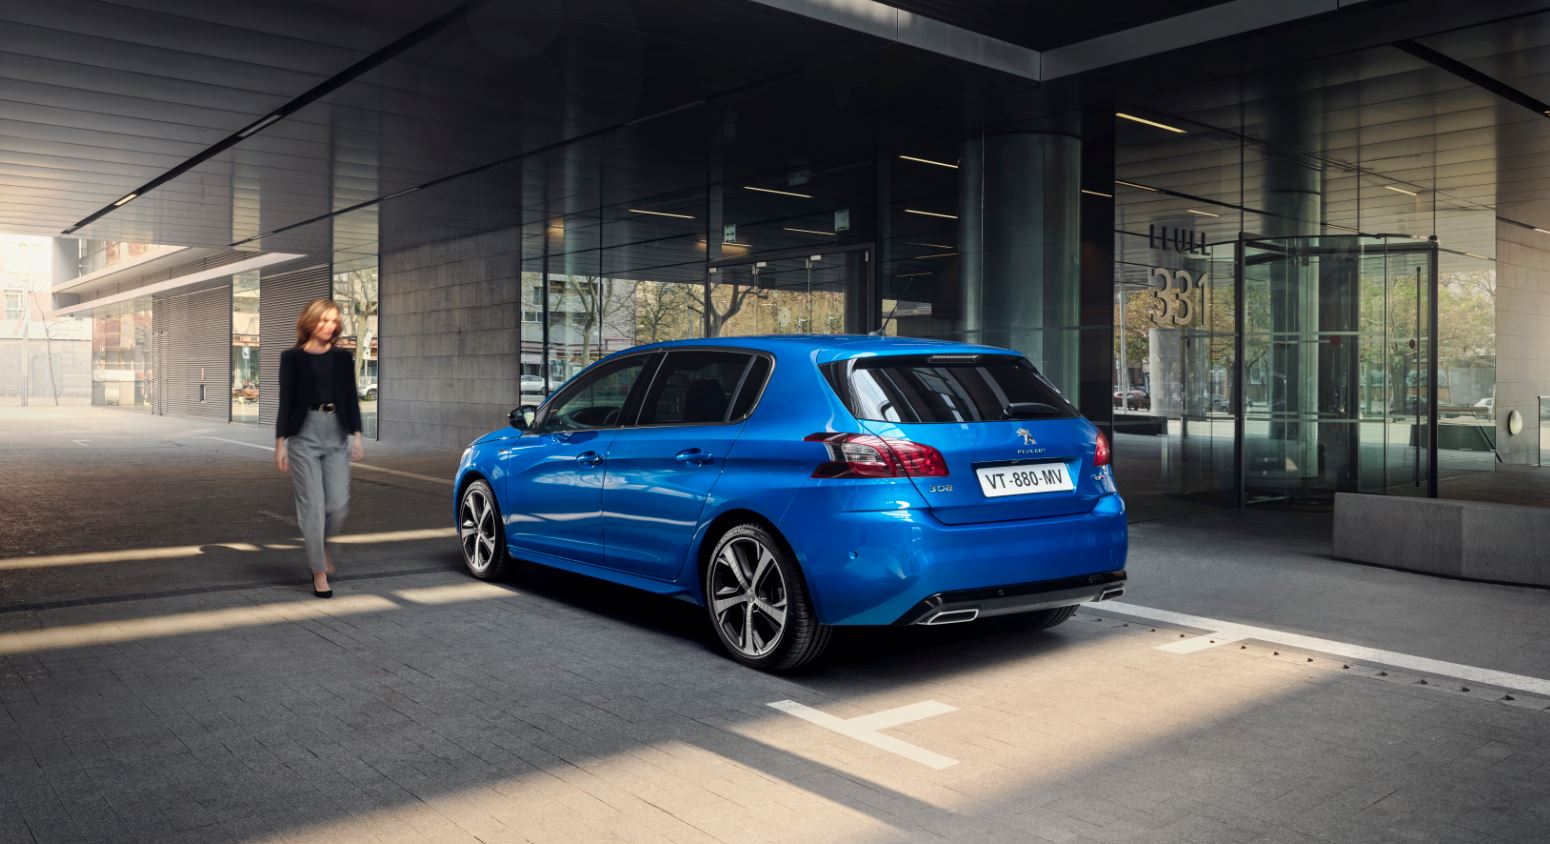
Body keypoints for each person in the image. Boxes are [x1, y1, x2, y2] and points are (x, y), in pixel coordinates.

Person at [274, 299, 364, 597]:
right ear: (311, 322)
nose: (329, 326)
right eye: (324, 320)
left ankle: (322, 549)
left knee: (337, 505)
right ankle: (318, 571)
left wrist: (357, 434)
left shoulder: (342, 358)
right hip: (303, 435)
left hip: (336, 430)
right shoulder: (292, 358)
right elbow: (285, 400)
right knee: (312, 507)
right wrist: (281, 443)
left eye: (334, 321)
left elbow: (350, 396)